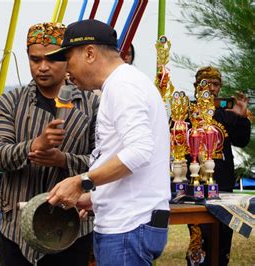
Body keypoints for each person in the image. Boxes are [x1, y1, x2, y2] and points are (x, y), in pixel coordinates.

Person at [46, 19, 171, 265]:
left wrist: (82, 182)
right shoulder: (123, 83)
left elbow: (139, 151)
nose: (66, 70)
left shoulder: (122, 86)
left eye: (68, 59)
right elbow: (126, 155)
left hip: (128, 228)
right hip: (129, 224)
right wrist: (96, 197)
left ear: (89, 53)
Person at [0, 22, 99, 265]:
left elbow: (103, 163)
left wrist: (64, 160)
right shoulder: (8, 103)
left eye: (52, 59)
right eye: (35, 60)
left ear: (68, 58)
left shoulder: (92, 105)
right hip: (16, 229)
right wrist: (32, 146)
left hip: (73, 228)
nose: (43, 67)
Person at [186, 66, 251, 266]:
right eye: (207, 83)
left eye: (216, 84)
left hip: (222, 186)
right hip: (194, 187)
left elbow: (241, 140)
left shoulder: (226, 113)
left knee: (223, 239)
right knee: (199, 240)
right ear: (197, 86)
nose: (212, 88)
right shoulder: (187, 112)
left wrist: (241, 117)